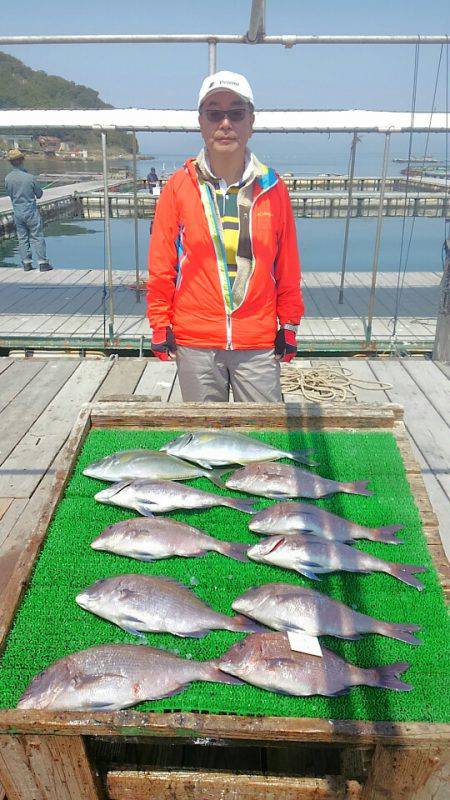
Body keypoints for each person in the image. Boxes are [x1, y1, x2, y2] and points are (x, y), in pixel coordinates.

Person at [147, 71, 304, 402]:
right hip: (196, 341)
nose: (225, 123)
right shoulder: (178, 186)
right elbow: (162, 265)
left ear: (251, 122)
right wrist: (160, 322)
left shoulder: (273, 188)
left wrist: (289, 323)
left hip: (257, 341)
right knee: (206, 431)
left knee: (262, 431)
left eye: (236, 113)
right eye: (214, 113)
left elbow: (287, 266)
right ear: (201, 122)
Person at [4, 149, 52, 272]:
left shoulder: (7, 179)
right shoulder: (30, 177)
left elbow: (10, 194)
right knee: (37, 236)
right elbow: (39, 194)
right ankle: (43, 263)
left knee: (22, 238)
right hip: (31, 212)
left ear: (11, 162)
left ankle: (26, 263)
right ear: (21, 160)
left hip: (17, 213)